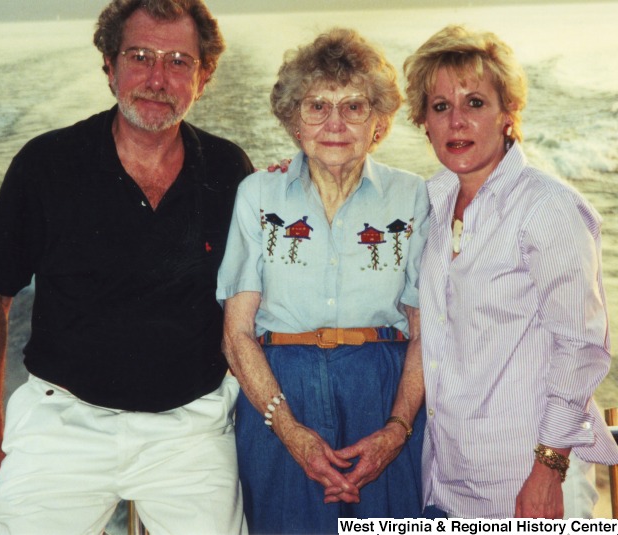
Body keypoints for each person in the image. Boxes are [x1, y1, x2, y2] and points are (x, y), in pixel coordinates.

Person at [0, 1, 254, 533]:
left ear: (203, 78)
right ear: (110, 67)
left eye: (179, 62)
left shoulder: (230, 170)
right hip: (62, 422)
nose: (157, 79)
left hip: (190, 430)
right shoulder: (46, 165)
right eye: (139, 57)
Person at [218, 28, 433, 533]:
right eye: (317, 106)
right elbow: (236, 334)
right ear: (294, 121)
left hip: (383, 391)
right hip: (279, 395)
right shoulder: (258, 194)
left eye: (354, 107)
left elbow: (427, 331)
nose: (335, 123)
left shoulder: (413, 196)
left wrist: (397, 431)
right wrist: (291, 433)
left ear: (379, 123)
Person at [403, 24, 618, 519]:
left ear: (507, 114)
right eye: (440, 107)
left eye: (475, 102)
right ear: (424, 121)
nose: (457, 121)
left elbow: (580, 349)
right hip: (446, 484)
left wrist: (548, 470)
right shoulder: (431, 205)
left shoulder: (550, 208)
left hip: (526, 486)